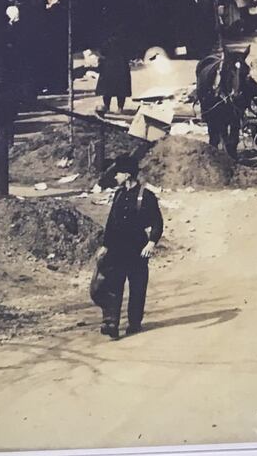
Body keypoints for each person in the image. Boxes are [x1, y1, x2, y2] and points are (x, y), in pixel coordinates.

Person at [95, 155, 163, 339]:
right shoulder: (118, 194)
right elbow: (111, 223)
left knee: (137, 287)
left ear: (126, 174)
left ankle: (134, 322)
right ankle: (112, 324)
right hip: (117, 248)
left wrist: (151, 242)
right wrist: (105, 246)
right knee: (114, 286)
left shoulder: (146, 196)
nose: (115, 176)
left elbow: (157, 222)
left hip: (137, 248)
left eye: (118, 173)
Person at [95, 31, 132, 116]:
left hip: (112, 66)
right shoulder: (124, 40)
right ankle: (117, 108)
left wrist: (101, 59)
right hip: (118, 65)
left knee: (111, 89)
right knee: (118, 88)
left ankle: (111, 107)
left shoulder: (106, 40)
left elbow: (100, 52)